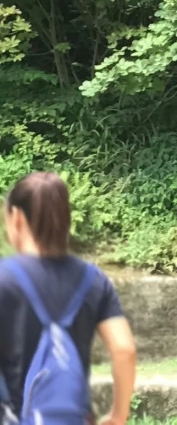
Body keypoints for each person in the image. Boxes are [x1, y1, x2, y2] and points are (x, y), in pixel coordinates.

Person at [0, 174, 133, 425]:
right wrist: (118, 415)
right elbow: (124, 349)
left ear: (16, 218)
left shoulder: (4, 277)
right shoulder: (93, 279)